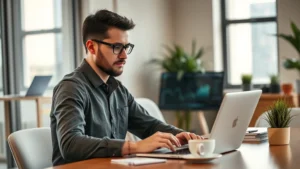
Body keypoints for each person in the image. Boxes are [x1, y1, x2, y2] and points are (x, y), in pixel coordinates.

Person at [50, 9, 202, 166]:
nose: (124, 55)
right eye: (116, 47)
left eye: (126, 47)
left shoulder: (118, 90)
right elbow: (70, 144)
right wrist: (133, 147)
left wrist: (181, 135)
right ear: (92, 47)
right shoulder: (71, 87)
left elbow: (149, 126)